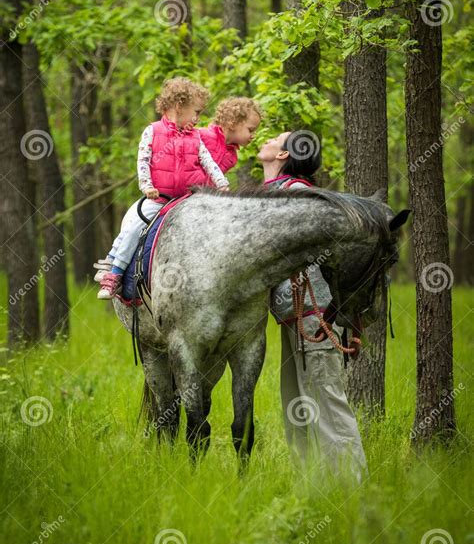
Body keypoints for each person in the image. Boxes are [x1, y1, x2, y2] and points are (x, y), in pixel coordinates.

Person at [257, 130, 368, 483]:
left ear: (284, 155)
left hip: (314, 314)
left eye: (276, 138)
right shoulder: (275, 193)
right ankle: (312, 487)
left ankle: (353, 486)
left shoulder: (299, 194)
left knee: (327, 400)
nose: (267, 140)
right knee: (297, 403)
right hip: (292, 316)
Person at [97, 77, 229, 299]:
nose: (198, 118)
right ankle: (115, 274)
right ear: (179, 106)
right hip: (160, 198)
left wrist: (222, 185)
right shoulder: (153, 131)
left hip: (187, 199)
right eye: (196, 112)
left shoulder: (195, 137)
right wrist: (146, 185)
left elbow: (209, 163)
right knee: (132, 228)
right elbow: (143, 160)